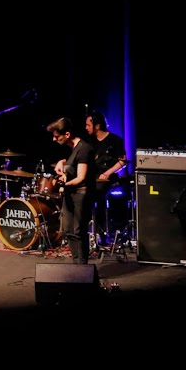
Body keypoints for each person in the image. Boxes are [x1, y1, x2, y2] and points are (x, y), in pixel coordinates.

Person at [49, 117, 97, 265]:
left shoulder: (84, 148)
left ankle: (82, 266)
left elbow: (81, 178)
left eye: (57, 137)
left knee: (78, 231)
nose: (54, 139)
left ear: (67, 134)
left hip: (81, 195)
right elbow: (73, 167)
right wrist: (62, 163)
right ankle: (76, 265)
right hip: (71, 194)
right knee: (68, 230)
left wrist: (63, 184)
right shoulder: (74, 148)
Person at [85, 110, 129, 246]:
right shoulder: (89, 142)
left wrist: (108, 173)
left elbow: (122, 161)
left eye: (88, 125)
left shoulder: (115, 140)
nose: (86, 128)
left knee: (99, 193)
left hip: (110, 179)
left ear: (97, 126)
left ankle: (103, 232)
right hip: (94, 178)